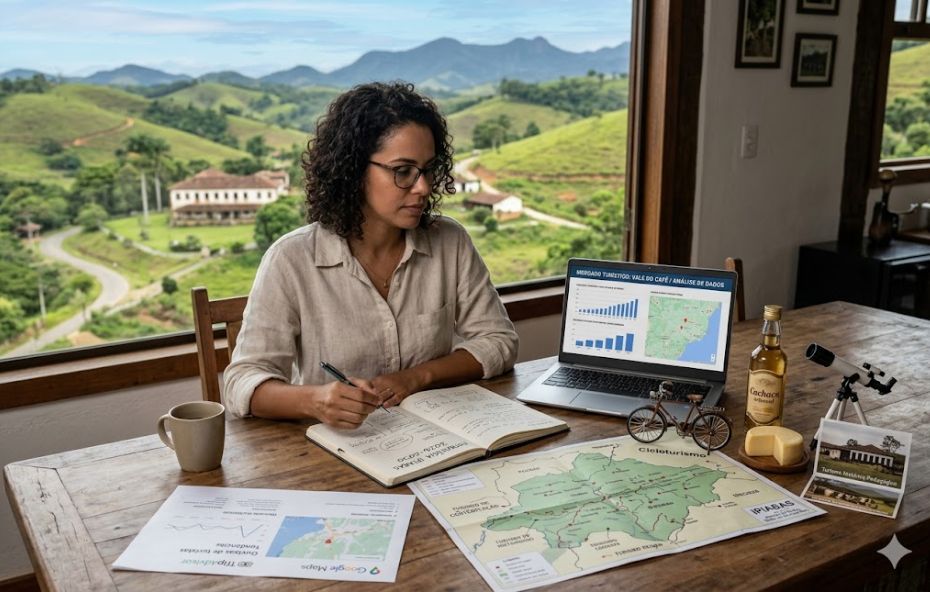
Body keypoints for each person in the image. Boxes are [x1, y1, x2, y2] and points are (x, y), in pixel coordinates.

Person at [223, 81, 519, 428]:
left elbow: (499, 341)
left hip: (437, 439)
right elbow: (240, 383)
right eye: (403, 171)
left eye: (428, 170)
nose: (423, 187)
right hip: (340, 450)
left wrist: (414, 378)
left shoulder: (449, 241)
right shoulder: (292, 260)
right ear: (353, 171)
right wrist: (315, 401)